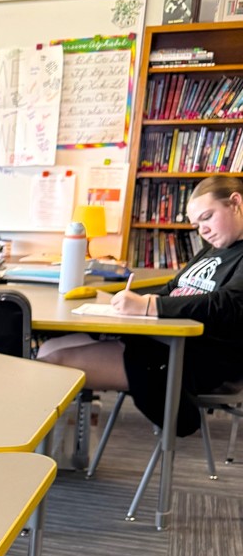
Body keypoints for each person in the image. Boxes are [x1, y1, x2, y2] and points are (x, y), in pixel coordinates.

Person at [38, 175, 243, 436]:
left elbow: (229, 303)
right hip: (160, 341)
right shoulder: (212, 248)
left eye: (207, 217)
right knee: (49, 347)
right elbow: (172, 289)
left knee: (51, 364)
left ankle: (43, 449)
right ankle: (62, 446)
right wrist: (131, 305)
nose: (203, 230)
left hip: (195, 357)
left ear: (235, 203)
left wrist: (149, 306)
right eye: (196, 224)